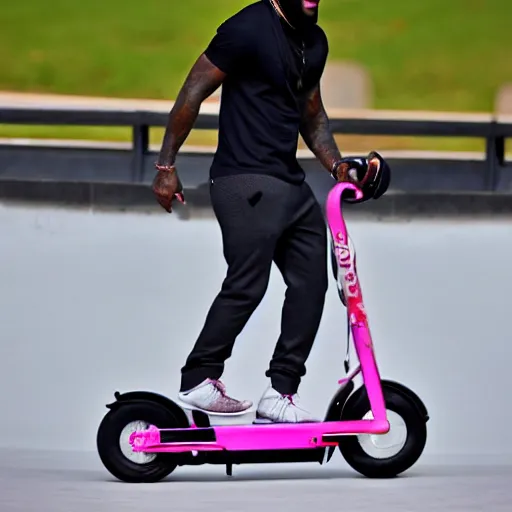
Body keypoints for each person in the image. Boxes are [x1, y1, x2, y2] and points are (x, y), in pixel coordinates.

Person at [152, 0, 390, 423]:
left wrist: (339, 167)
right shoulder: (247, 27)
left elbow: (312, 117)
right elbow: (193, 90)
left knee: (312, 283)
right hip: (243, 179)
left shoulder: (314, 42)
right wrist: (166, 166)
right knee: (248, 283)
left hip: (289, 183)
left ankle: (280, 392)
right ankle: (199, 377)